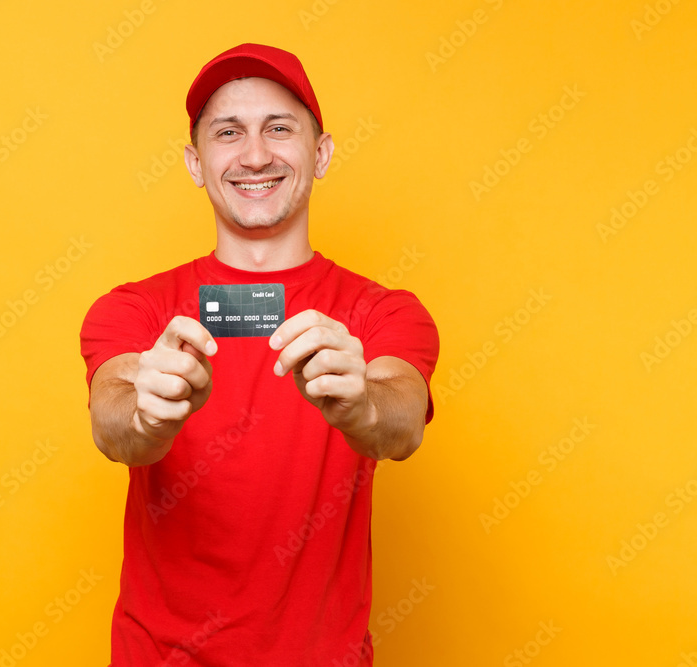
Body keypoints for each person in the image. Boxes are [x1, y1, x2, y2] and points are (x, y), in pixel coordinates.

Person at [80, 43, 439, 667]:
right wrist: (146, 415)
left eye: (279, 128)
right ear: (195, 163)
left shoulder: (386, 313)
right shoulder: (131, 310)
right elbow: (114, 426)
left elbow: (401, 423)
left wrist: (362, 407)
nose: (254, 155)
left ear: (320, 153)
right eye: (228, 132)